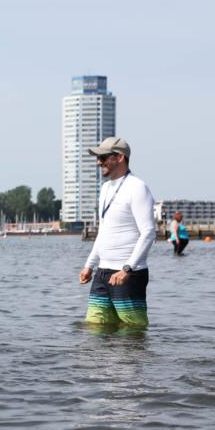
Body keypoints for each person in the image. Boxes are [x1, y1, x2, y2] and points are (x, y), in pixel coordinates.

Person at [79, 137, 156, 327]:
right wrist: (90, 264)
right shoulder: (105, 189)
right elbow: (103, 231)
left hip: (129, 274)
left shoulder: (137, 187)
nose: (99, 162)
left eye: (103, 157)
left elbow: (148, 232)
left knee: (132, 332)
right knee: (94, 328)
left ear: (120, 157)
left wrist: (127, 268)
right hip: (102, 273)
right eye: (98, 158)